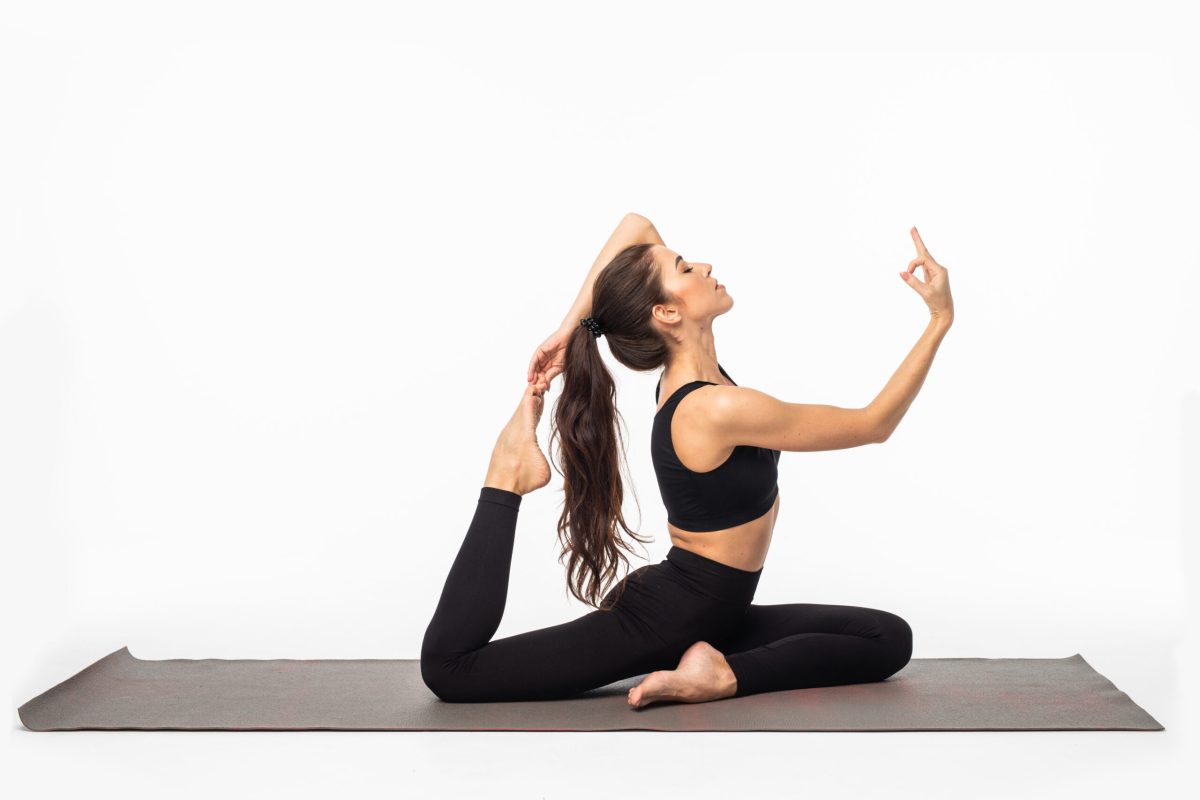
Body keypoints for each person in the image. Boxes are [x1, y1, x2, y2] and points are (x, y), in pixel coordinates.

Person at [421, 213, 954, 707]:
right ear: (667, 312)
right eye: (684, 267)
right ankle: (505, 476)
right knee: (451, 670)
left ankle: (713, 664)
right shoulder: (714, 408)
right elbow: (874, 424)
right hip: (663, 620)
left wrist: (568, 329)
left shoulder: (698, 379)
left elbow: (636, 224)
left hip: (711, 612)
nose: (705, 266)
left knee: (886, 637)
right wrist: (938, 319)